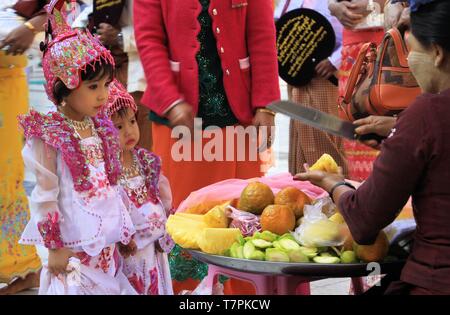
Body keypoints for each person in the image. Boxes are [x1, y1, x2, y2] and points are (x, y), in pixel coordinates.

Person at [297, 0, 450, 295]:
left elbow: (365, 218)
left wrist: (335, 185)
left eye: (412, 52)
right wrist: (399, 130)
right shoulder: (418, 120)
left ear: (438, 54)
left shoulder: (425, 114)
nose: (408, 63)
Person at [133, 0, 280, 294]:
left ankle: (244, 293)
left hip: (240, 118)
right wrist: (172, 102)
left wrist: (266, 104)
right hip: (179, 122)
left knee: (242, 213)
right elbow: (149, 42)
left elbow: (263, 36)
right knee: (184, 214)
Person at [17, 0, 137, 294]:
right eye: (93, 87)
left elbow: (111, 185)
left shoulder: (103, 128)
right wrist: (54, 247)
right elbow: (45, 196)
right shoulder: (49, 134)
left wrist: (124, 230)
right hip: (73, 250)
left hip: (106, 244)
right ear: (63, 88)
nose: (102, 96)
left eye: (106, 85)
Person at [103, 79, 174, 295]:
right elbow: (107, 212)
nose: (129, 131)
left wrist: (166, 235)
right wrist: (122, 239)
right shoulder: (106, 170)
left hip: (154, 252)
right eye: (119, 127)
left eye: (132, 122)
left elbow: (165, 204)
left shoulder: (147, 162)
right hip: (126, 255)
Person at [0, 0, 48, 295]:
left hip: (6, 77)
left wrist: (31, 27)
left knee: (5, 178)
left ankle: (25, 267)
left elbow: (61, 6)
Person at [275, 0, 348, 176]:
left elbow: (359, 30)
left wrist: (334, 61)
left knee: (321, 137)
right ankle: (302, 192)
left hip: (325, 77)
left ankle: (336, 191)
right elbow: (277, 24)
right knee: (301, 135)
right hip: (296, 74)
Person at [72, 0, 152, 151]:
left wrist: (121, 38)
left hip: (140, 75)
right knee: (107, 148)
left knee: (141, 151)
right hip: (107, 72)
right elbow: (92, 12)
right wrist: (80, 34)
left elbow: (161, 34)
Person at [328, 0, 387, 181]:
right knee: (355, 136)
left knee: (383, 132)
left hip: (387, 47)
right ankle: (362, 200)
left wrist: (374, 5)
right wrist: (334, 6)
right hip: (351, 53)